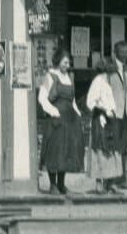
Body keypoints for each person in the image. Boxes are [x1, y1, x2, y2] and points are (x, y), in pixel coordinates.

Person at [38, 47, 85, 195]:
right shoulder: (50, 76)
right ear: (58, 61)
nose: (67, 65)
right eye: (65, 62)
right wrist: (54, 112)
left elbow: (73, 101)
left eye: (69, 63)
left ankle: (61, 184)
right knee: (54, 150)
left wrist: (78, 113)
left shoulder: (69, 78)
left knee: (66, 151)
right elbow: (42, 98)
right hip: (56, 119)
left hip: (69, 119)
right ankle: (52, 185)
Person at [85, 56, 127, 192]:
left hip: (111, 119)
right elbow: (90, 102)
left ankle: (110, 182)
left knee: (112, 149)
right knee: (100, 149)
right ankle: (99, 182)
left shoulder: (107, 81)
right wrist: (103, 109)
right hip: (101, 119)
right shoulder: (98, 81)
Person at [109, 41, 127, 188]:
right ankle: (112, 179)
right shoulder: (110, 69)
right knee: (114, 145)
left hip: (124, 113)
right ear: (116, 52)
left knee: (123, 145)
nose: (125, 55)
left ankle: (122, 178)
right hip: (113, 112)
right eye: (122, 52)